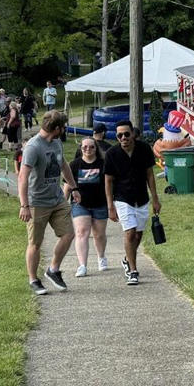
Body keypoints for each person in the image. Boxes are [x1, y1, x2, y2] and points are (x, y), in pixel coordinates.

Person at [18, 110, 80, 295]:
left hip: (57, 198)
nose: (64, 130)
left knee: (68, 234)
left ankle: (53, 270)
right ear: (57, 128)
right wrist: (24, 205)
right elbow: (23, 177)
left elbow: (63, 165)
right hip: (37, 202)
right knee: (35, 243)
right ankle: (33, 280)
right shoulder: (33, 147)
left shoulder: (57, 142)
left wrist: (73, 187)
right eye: (63, 127)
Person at [104, 120, 160, 286]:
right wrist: (110, 207)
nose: (123, 138)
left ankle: (127, 258)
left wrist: (155, 198)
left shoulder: (143, 149)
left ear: (133, 134)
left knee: (138, 234)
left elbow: (150, 174)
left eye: (126, 134)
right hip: (122, 198)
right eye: (119, 135)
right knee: (130, 232)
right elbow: (108, 181)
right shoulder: (111, 154)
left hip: (141, 197)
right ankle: (133, 271)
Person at [66, 138, 108, 277]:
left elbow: (110, 184)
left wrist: (112, 202)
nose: (88, 149)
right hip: (80, 204)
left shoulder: (103, 164)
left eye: (91, 147)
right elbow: (67, 185)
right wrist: (63, 204)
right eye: (85, 147)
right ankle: (82, 265)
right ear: (81, 148)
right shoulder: (74, 165)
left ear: (96, 148)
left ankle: (101, 257)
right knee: (81, 232)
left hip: (100, 203)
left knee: (99, 234)